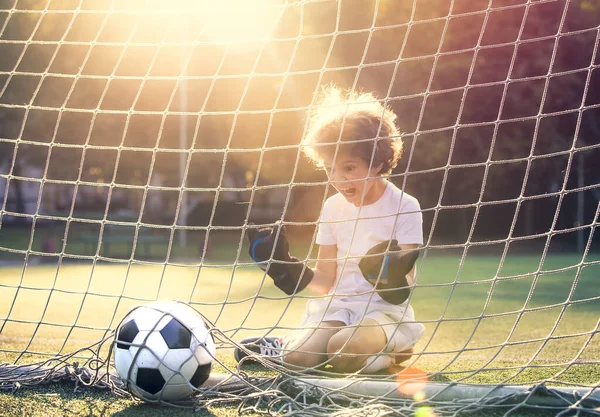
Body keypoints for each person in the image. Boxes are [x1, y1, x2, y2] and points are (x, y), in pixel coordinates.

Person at [235, 86, 425, 374]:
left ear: (378, 162)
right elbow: (325, 281)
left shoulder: (405, 206)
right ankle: (289, 344)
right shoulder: (333, 208)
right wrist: (285, 266)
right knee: (298, 360)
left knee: (343, 348)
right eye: (329, 168)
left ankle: (396, 343)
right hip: (339, 309)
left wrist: (388, 274)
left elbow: (407, 283)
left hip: (383, 312)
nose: (337, 179)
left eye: (349, 168)